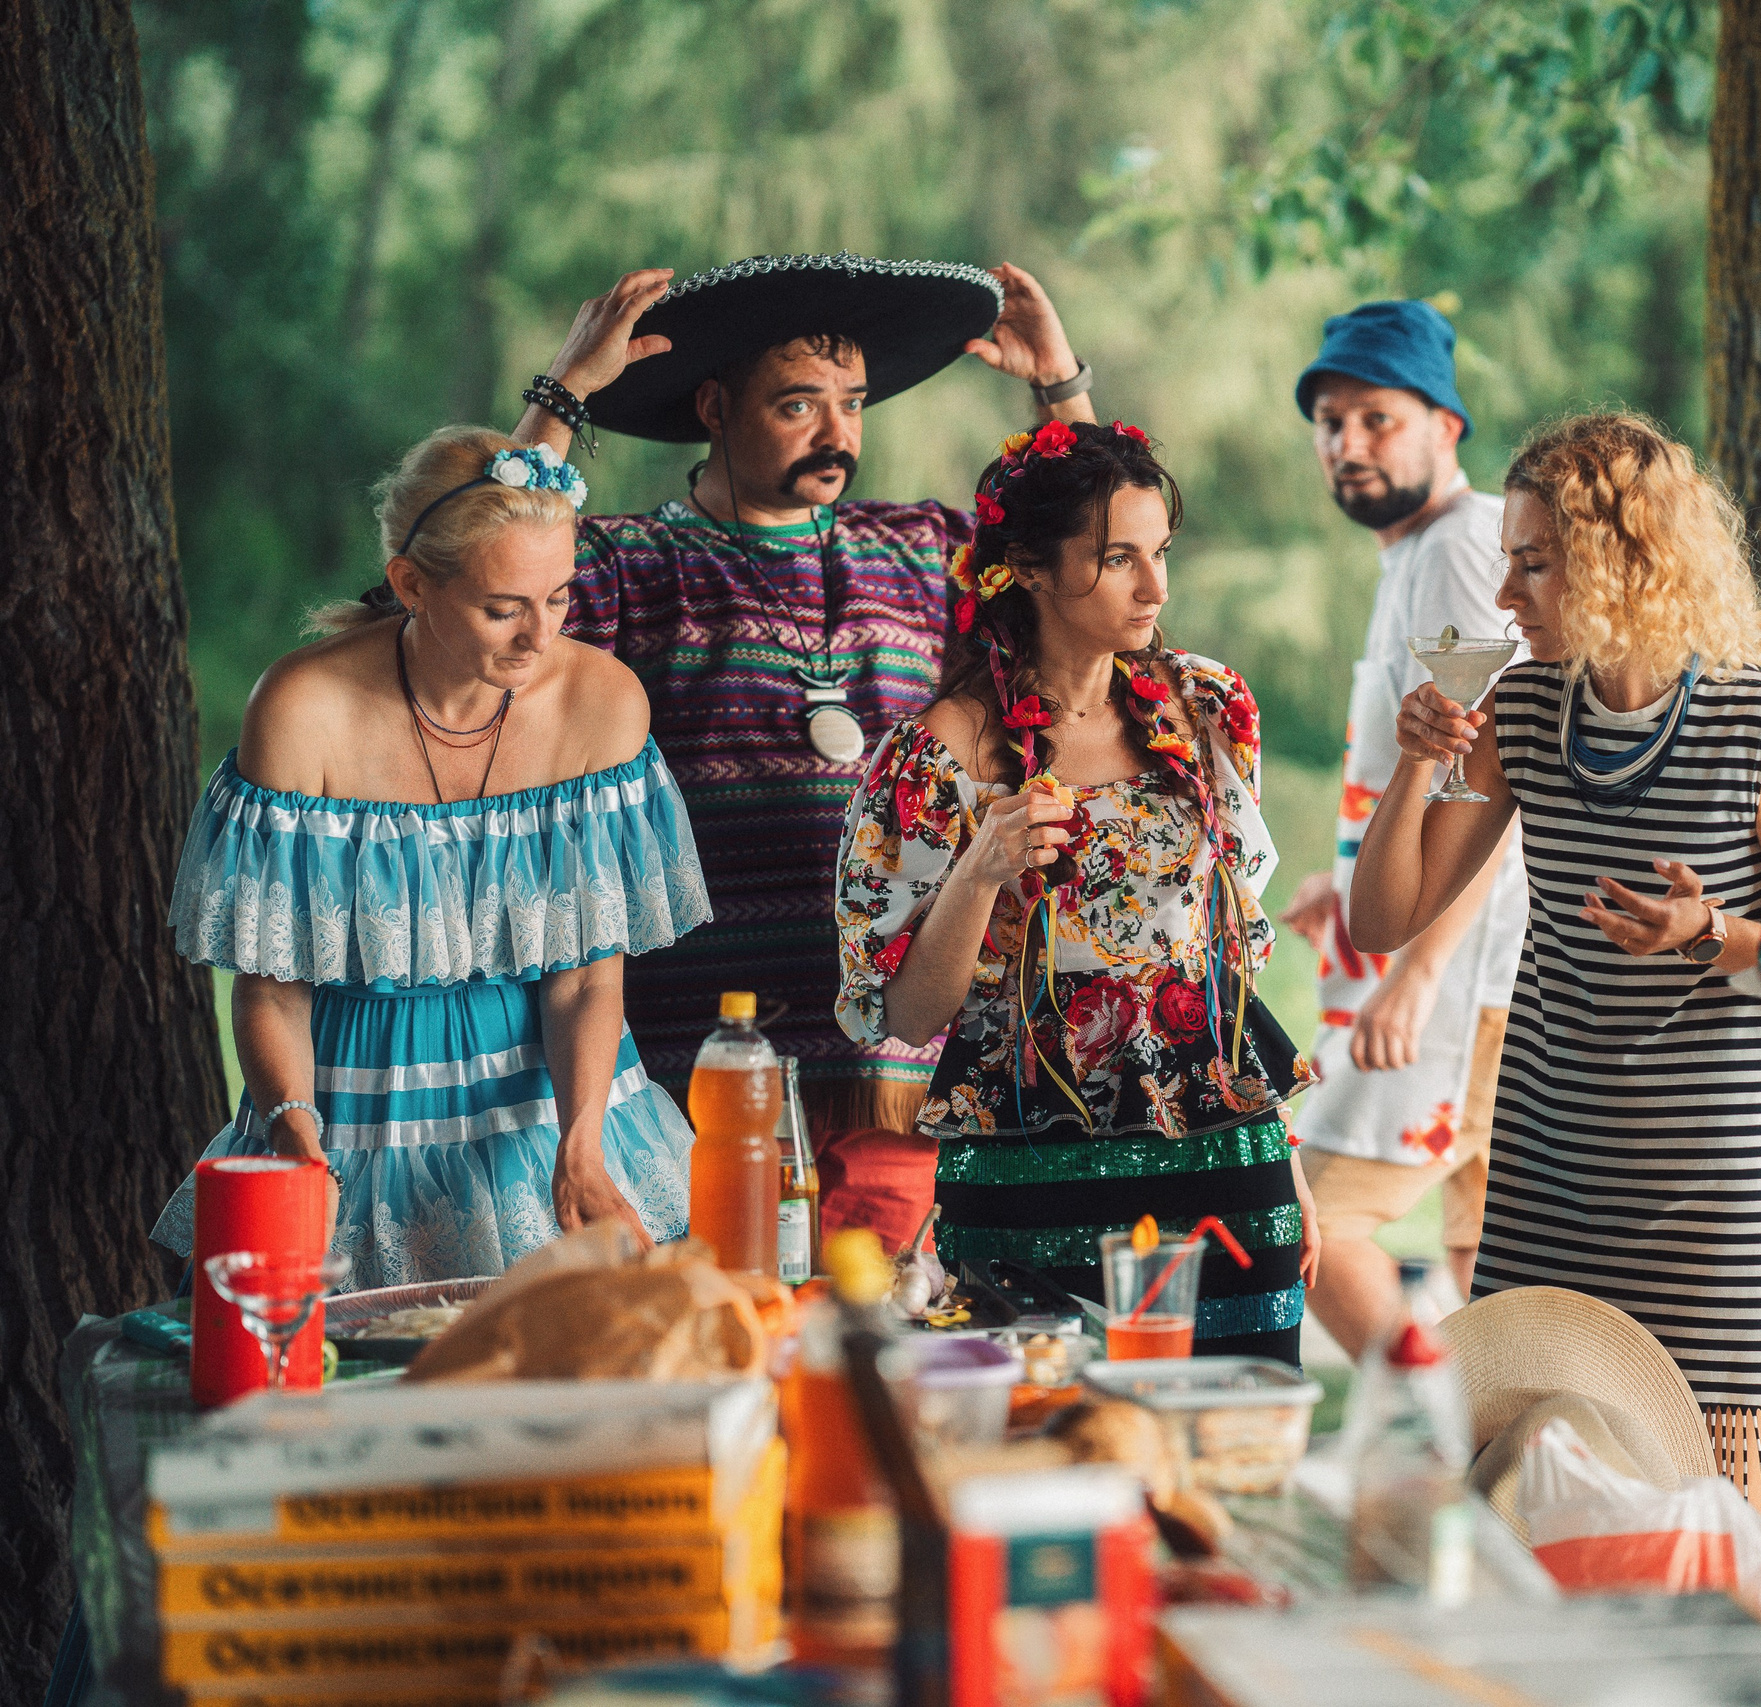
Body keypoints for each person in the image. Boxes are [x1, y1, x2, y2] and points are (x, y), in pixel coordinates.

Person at [505, 253, 1098, 1252]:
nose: (838, 436)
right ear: (714, 407)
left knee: (886, 1370)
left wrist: (1061, 390)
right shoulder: (626, 568)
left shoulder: (921, 550)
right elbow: (481, 579)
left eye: (854, 405)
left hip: (904, 1077)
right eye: (798, 406)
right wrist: (562, 399)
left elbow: (1086, 568)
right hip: (701, 1074)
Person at [1349, 411, 1761, 1518]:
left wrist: (1714, 938)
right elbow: (1386, 916)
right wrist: (1411, 769)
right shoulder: (1523, 712)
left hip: (1714, 1218)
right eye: (1509, 562)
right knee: (1536, 1511)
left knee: (1709, 1542)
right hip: (1547, 1192)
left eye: (1535, 563)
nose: (1506, 595)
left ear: (1623, 560)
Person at [152, 428, 709, 1289]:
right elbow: (268, 987)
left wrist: (582, 1141)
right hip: (343, 1117)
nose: (540, 637)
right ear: (411, 583)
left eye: (559, 598)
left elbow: (587, 978)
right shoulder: (303, 709)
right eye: (503, 608)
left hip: (542, 1113)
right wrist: (297, 1132)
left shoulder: (602, 704)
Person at [834, 420, 1318, 1363]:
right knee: (1039, 1449)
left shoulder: (1207, 709)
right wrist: (981, 867)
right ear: (1030, 567)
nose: (1157, 587)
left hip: (1227, 1165)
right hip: (1025, 1177)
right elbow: (905, 1010)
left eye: (1160, 553)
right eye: (1118, 558)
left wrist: (1286, 1156)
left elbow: (1217, 955)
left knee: (1234, 1449)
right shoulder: (939, 756)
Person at [1275, 300, 1528, 1359]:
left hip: (1460, 979)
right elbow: (1414, 767)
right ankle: (1502, 1472)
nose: (1348, 445)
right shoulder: (1414, 554)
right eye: (1330, 423)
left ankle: (1430, 1438)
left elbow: (1497, 780)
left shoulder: (1464, 550)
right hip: (1457, 970)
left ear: (1444, 427)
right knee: (1488, 1260)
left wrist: (1417, 972)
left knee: (1313, 1218)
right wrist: (1345, 885)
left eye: (1377, 418)